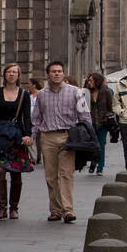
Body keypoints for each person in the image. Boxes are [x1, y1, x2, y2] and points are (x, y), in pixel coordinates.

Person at [30, 60, 91, 223]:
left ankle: (68, 210)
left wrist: (85, 136)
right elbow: (36, 118)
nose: (56, 74)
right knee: (51, 176)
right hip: (48, 137)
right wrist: (32, 137)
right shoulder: (42, 94)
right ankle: (55, 210)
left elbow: (85, 116)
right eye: (53, 71)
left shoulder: (75, 92)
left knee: (66, 174)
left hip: (67, 137)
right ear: (48, 74)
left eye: (59, 71)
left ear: (63, 74)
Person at [0, 63, 34, 220]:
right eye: (9, 72)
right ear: (4, 74)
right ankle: (2, 208)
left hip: (16, 137)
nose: (12, 74)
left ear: (19, 76)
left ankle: (14, 208)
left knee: (16, 173)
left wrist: (28, 135)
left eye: (15, 72)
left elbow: (26, 117)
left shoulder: (24, 94)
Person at [84, 73, 114, 176]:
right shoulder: (86, 92)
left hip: (103, 123)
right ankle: (93, 162)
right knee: (92, 144)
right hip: (90, 122)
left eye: (91, 81)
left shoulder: (106, 92)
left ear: (97, 81)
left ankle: (100, 167)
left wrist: (107, 117)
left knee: (101, 145)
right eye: (88, 81)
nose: (89, 82)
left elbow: (110, 108)